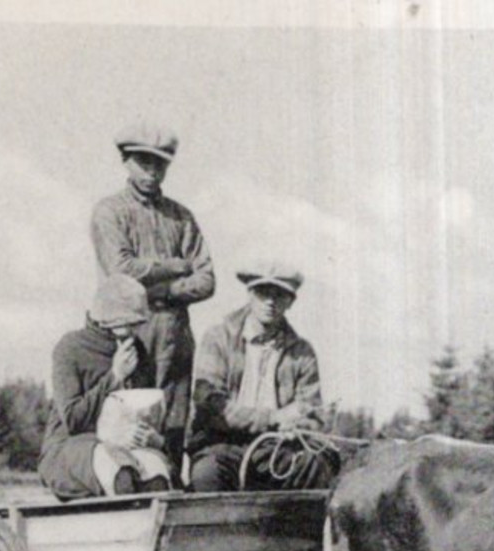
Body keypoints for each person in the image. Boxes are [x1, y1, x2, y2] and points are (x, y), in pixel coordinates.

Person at [90, 121, 215, 469]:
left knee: (173, 422)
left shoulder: (181, 217)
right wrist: (175, 266)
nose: (151, 171)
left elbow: (206, 280)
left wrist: (166, 291)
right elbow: (122, 269)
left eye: (159, 164)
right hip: (128, 330)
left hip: (174, 334)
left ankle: (172, 495)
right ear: (126, 161)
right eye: (143, 161)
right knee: (128, 418)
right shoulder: (110, 212)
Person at [187, 261, 328, 492]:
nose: (270, 302)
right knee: (206, 474)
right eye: (263, 293)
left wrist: (299, 424)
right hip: (222, 445)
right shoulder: (218, 338)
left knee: (317, 466)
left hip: (278, 449)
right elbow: (210, 405)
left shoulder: (302, 352)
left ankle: (297, 529)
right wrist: (273, 418)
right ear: (250, 294)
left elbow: (313, 413)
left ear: (291, 302)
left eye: (280, 295)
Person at [38, 274, 173, 498]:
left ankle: (154, 532)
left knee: (156, 475)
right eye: (128, 323)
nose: (133, 331)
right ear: (106, 318)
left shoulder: (137, 351)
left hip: (126, 448)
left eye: (137, 324)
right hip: (71, 450)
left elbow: (143, 412)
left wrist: (151, 436)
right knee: (119, 472)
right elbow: (73, 420)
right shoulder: (71, 348)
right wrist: (115, 376)